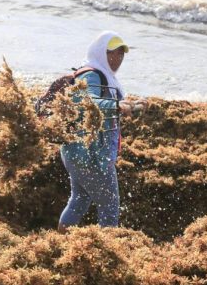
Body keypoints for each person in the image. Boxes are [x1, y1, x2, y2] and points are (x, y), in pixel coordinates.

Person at [57, 30, 148, 234]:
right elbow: (89, 101)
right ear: (99, 52)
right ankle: (109, 253)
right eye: (112, 53)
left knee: (79, 200)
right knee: (110, 206)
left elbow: (104, 103)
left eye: (121, 54)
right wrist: (116, 105)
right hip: (91, 155)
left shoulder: (101, 75)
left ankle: (59, 243)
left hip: (77, 153)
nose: (117, 59)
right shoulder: (92, 74)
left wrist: (130, 104)